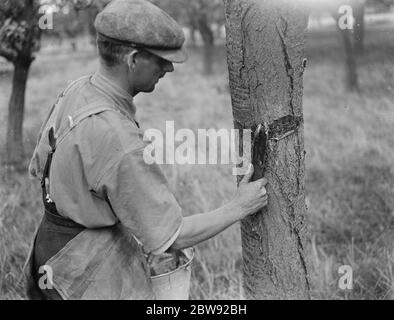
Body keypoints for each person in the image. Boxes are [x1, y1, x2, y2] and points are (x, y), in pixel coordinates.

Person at [23, 0, 268, 300]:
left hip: (50, 251)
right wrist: (240, 206)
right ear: (134, 59)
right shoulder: (117, 138)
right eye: (162, 59)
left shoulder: (77, 90)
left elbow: (38, 167)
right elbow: (173, 237)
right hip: (81, 272)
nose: (169, 67)